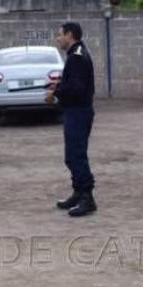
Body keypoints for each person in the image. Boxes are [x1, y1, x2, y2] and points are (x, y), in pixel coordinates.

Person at [46, 22, 97, 217]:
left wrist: (55, 93)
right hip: (77, 111)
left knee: (76, 156)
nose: (58, 38)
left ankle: (87, 198)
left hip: (78, 112)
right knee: (73, 156)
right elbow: (75, 82)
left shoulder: (76, 57)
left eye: (60, 35)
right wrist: (58, 84)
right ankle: (78, 193)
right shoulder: (77, 53)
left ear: (70, 35)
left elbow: (75, 89)